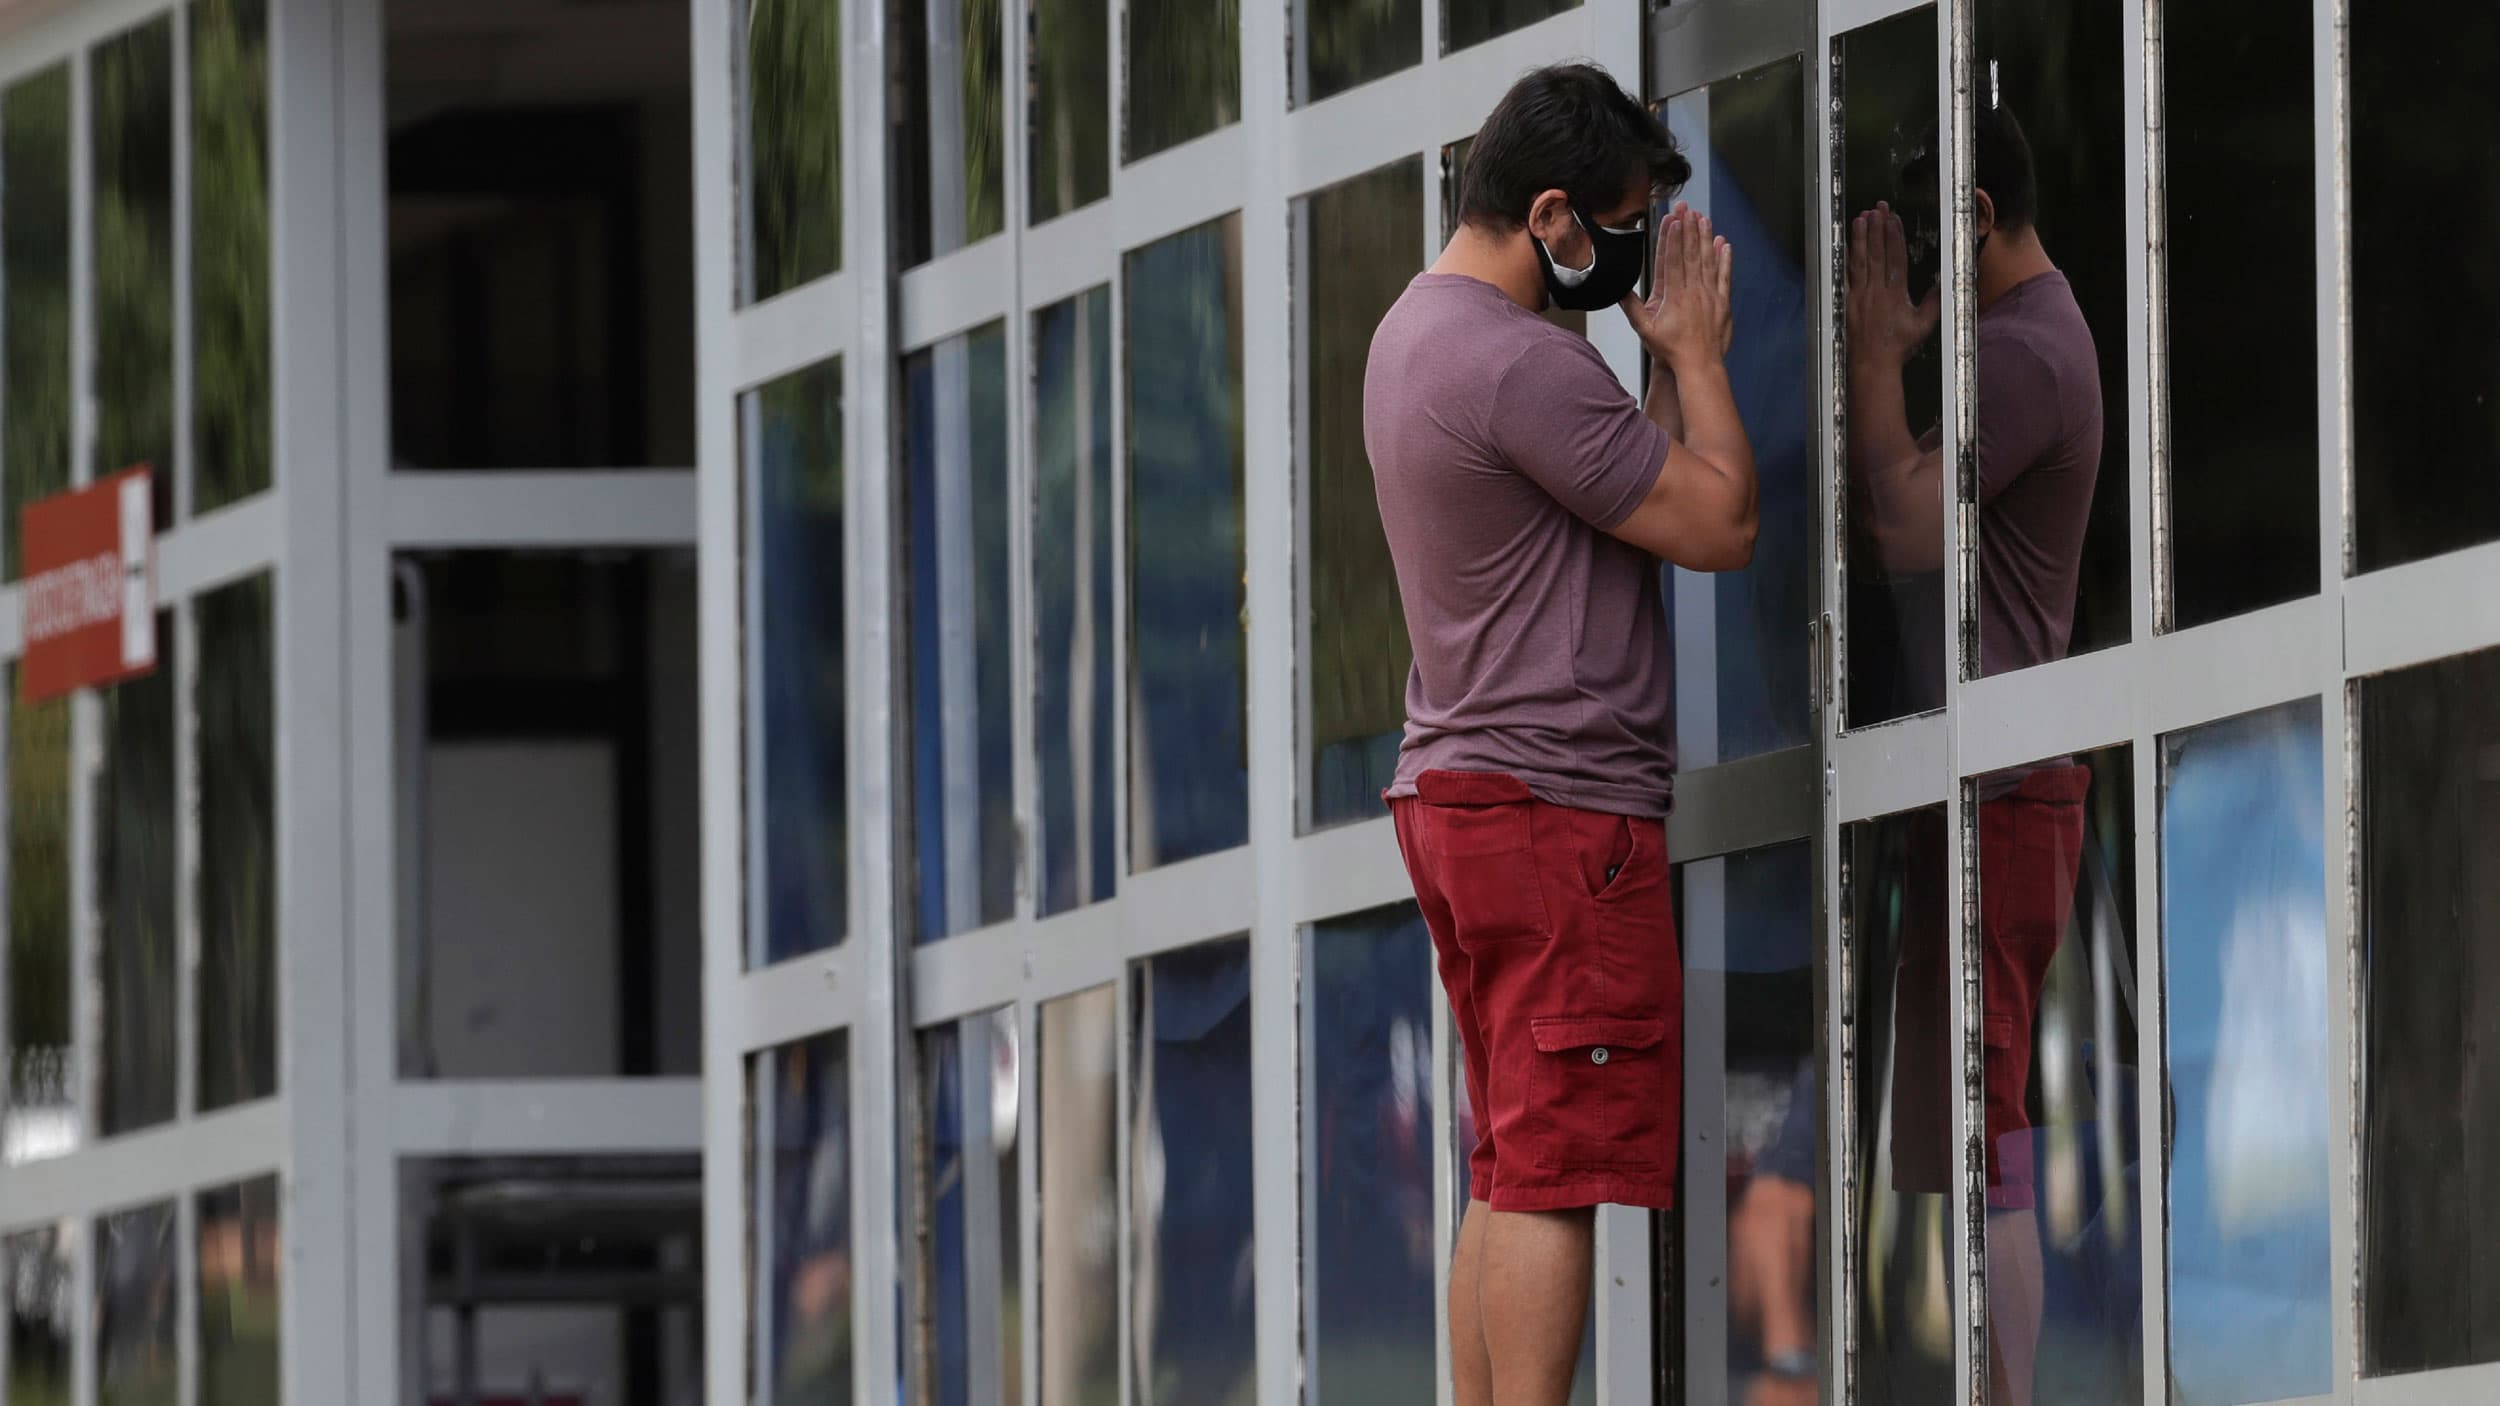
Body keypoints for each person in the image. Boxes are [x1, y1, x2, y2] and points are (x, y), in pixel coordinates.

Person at [1365, 62, 1761, 1406]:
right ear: (1551, 215)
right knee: (1556, 1171)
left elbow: (1617, 508)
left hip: (1462, 795)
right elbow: (1719, 524)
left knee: (1505, 1155)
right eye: (1628, 221)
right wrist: (1699, 360)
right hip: (1558, 813)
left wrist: (1645, 375)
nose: (1639, 251)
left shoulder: (1412, 337)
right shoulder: (1521, 365)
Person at [1846, 102, 2102, 1406]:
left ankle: (2007, 1395)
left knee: (1988, 1118)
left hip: (2000, 789)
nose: (1907, 272)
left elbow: (1901, 523)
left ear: (1981, 220)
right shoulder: (2024, 337)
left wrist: (1875, 356)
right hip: (1990, 783)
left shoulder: (2025, 353)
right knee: (1970, 1120)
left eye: (1925, 240)